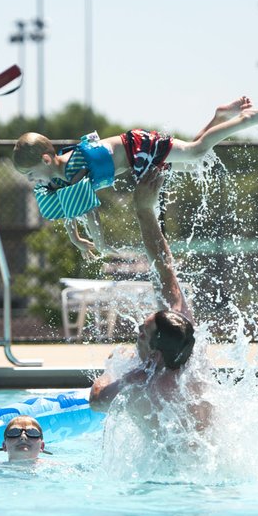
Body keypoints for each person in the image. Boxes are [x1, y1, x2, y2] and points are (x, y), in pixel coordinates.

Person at [12, 97, 258, 259]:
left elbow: (89, 212)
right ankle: (219, 117)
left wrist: (100, 243)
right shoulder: (57, 179)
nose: (32, 180)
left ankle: (244, 120)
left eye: (32, 174)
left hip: (139, 148)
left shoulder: (74, 167)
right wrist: (76, 239)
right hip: (135, 162)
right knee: (187, 161)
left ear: (46, 160)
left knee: (195, 152)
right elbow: (71, 208)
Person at [89, 170, 212, 432]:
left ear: (156, 355)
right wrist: (145, 210)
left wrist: (113, 370)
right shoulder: (187, 344)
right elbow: (165, 267)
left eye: (143, 334)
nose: (137, 331)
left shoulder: (144, 384)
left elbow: (97, 401)